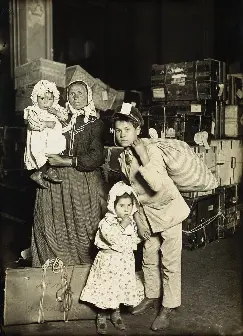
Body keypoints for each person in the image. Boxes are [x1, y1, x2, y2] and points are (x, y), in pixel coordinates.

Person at [113, 102, 190, 331]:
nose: (122, 134)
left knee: (169, 261)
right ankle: (152, 295)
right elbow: (133, 192)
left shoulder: (150, 150)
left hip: (168, 211)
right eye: (118, 130)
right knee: (148, 255)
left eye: (127, 129)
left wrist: (143, 155)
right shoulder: (123, 155)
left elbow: (155, 185)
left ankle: (168, 306)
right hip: (147, 214)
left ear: (138, 130)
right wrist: (138, 220)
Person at [30, 79, 105, 267]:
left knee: (83, 227)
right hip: (53, 181)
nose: (76, 96)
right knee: (50, 225)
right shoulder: (55, 118)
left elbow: (96, 157)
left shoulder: (95, 124)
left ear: (88, 96)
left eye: (80, 93)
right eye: (72, 93)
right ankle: (54, 270)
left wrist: (66, 161)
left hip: (81, 181)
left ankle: (83, 272)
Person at [80, 181, 144, 335]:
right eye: (122, 206)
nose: (126, 209)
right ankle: (101, 315)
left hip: (123, 262)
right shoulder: (107, 222)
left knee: (118, 288)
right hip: (109, 262)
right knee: (106, 288)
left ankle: (115, 313)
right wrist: (122, 225)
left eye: (129, 205)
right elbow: (111, 238)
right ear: (113, 206)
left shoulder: (131, 222)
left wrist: (137, 233)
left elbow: (133, 240)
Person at [24, 80, 68, 189]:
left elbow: (65, 118)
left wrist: (56, 113)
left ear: (54, 99)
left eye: (49, 99)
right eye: (42, 99)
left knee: (55, 151)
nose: (46, 102)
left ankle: (43, 172)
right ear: (36, 98)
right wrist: (46, 123)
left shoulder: (56, 108)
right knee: (40, 154)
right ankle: (41, 172)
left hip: (53, 138)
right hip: (39, 138)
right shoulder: (33, 110)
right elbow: (33, 124)